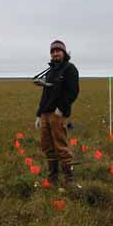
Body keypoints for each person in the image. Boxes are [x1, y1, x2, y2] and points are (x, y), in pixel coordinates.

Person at [34, 40, 79, 186]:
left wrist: (61, 109)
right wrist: (39, 114)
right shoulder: (51, 71)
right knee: (47, 146)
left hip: (58, 114)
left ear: (64, 52)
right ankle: (52, 179)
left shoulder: (70, 69)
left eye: (58, 51)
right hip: (46, 114)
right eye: (52, 51)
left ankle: (69, 180)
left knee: (61, 146)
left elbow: (73, 91)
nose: (55, 53)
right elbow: (45, 94)